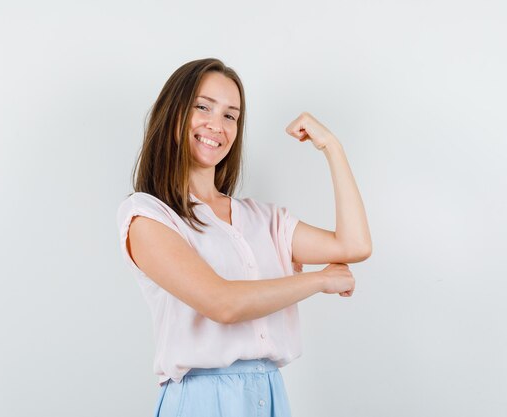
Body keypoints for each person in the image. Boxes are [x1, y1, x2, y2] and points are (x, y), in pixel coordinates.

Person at [116, 58, 372, 417]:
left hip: (269, 393)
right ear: (173, 113)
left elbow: (355, 246)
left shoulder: (262, 218)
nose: (216, 125)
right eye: (203, 107)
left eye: (230, 116)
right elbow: (222, 303)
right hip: (200, 400)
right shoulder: (148, 216)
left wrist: (332, 147)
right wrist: (320, 279)